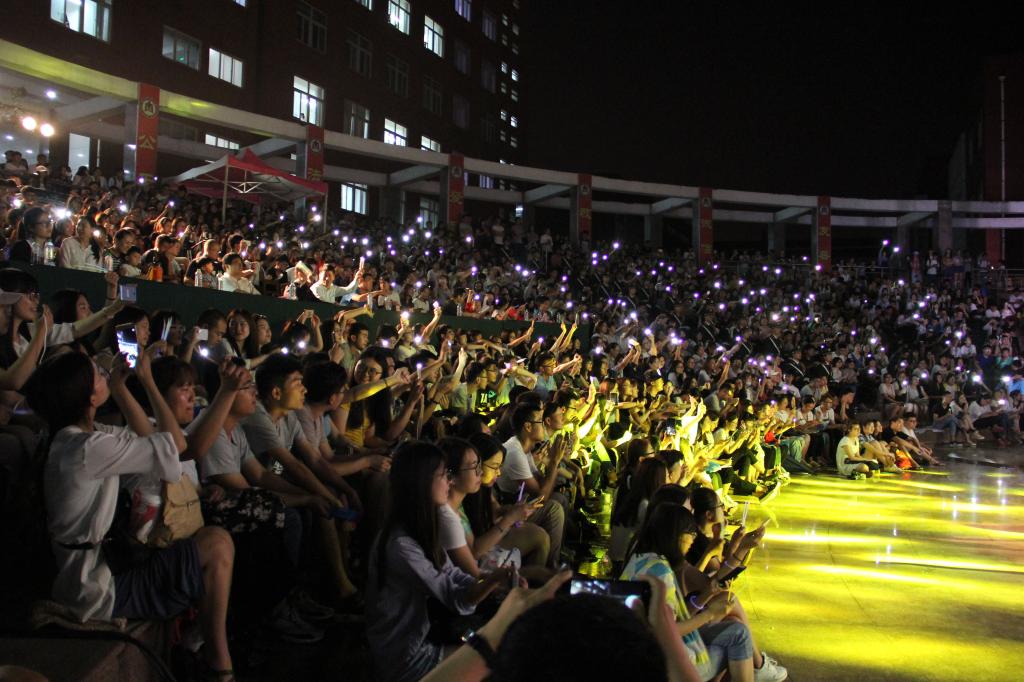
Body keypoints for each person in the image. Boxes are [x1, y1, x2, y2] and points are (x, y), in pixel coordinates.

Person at [23, 350, 236, 679]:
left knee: (207, 539)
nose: (104, 372)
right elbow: (177, 446)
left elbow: (154, 439)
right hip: (97, 589)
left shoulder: (78, 439)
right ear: (90, 397)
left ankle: (203, 649)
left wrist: (120, 389)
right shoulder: (89, 449)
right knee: (218, 544)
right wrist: (147, 382)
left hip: (92, 572)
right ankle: (219, 664)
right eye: (98, 373)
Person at [366, 441, 511, 682]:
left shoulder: (421, 527)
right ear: (422, 482)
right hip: (406, 657)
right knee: (498, 660)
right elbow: (455, 596)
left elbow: (452, 574)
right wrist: (493, 581)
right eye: (444, 476)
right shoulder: (402, 545)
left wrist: (495, 581)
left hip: (422, 636)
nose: (450, 482)